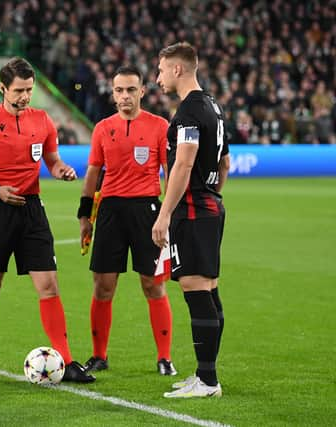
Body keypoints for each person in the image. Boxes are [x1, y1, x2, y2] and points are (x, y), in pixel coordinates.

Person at [0, 57, 95, 383]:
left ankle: (65, 362)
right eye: (20, 90)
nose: (26, 96)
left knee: (49, 284)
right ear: (3, 88)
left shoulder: (43, 120)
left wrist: (61, 170)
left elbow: (51, 160)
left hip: (31, 209)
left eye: (29, 90)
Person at [77, 65, 177, 376]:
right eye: (119, 90)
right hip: (109, 211)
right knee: (103, 286)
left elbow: (170, 171)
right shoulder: (102, 128)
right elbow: (93, 172)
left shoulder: (160, 126)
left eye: (131, 90)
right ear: (112, 92)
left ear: (142, 92)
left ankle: (164, 358)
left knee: (153, 285)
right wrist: (85, 215)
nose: (124, 96)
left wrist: (167, 214)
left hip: (147, 211)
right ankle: (98, 356)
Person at [151, 42, 230, 398]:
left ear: (178, 69)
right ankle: (204, 375)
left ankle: (208, 381)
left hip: (194, 210)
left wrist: (165, 214)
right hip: (210, 205)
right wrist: (213, 194)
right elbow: (225, 161)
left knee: (196, 289)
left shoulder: (187, 113)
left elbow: (183, 163)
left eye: (161, 70)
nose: (158, 78)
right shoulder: (212, 106)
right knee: (209, 290)